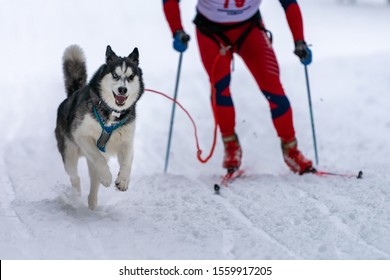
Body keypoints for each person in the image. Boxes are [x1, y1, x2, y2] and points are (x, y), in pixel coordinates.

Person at [163, 0, 314, 174]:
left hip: (249, 28)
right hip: (210, 32)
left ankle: (291, 150)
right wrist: (177, 30)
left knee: (274, 88)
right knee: (220, 89)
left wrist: (299, 40)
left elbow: (289, 3)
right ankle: (231, 145)